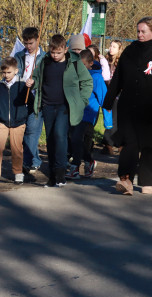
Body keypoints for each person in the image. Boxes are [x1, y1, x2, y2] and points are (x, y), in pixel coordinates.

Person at [104, 17, 152, 195]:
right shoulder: (130, 51)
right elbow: (119, 77)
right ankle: (126, 179)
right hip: (129, 107)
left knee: (150, 147)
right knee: (129, 144)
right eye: (138, 31)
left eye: (143, 31)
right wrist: (109, 99)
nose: (139, 34)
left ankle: (147, 182)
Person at [27, 34, 93, 186]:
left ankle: (61, 173)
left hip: (65, 106)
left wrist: (81, 101)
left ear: (65, 49)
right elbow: (37, 78)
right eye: (52, 52)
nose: (55, 56)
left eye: (58, 52)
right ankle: (52, 175)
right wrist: (32, 82)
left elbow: (87, 82)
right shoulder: (45, 62)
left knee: (60, 135)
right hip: (47, 105)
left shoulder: (75, 63)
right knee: (50, 139)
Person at [0, 57, 28, 185]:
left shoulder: (22, 85)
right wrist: (0, 114)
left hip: (18, 123)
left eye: (9, 72)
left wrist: (23, 114)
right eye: (3, 72)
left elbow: (31, 103)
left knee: (17, 149)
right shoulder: (0, 85)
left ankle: (18, 173)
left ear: (16, 71)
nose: (6, 75)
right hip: (3, 122)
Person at [70, 49, 107, 179]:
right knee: (82, 141)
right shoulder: (76, 75)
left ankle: (74, 167)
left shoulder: (96, 78)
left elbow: (104, 98)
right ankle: (88, 161)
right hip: (76, 113)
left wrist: (108, 122)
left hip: (89, 114)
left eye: (83, 65)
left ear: (91, 63)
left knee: (77, 139)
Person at [16, 26, 44, 182]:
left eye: (31, 43)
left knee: (32, 131)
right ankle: (35, 160)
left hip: (37, 99)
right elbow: (15, 72)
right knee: (23, 131)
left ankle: (27, 162)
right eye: (26, 43)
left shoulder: (44, 58)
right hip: (21, 97)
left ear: (37, 40)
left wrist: (35, 83)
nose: (28, 46)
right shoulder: (19, 56)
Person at [101, 39, 123, 154]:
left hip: (118, 92)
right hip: (107, 91)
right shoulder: (105, 61)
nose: (111, 48)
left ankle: (119, 142)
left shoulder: (120, 62)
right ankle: (108, 143)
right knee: (110, 117)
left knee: (119, 117)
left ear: (119, 50)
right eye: (110, 46)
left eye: (114, 47)